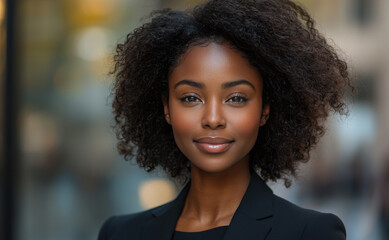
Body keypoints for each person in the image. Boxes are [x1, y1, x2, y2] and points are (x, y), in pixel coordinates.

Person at [99, 0, 353, 239]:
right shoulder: (120, 233)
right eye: (190, 98)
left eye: (236, 98)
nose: (212, 119)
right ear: (166, 108)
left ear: (265, 110)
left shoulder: (309, 233)